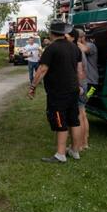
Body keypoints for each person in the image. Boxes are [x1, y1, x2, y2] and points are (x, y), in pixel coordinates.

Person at [28, 21, 85, 163]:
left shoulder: (51, 48)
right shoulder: (75, 48)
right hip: (73, 90)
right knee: (74, 121)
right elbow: (79, 70)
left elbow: (42, 69)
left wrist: (33, 86)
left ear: (51, 33)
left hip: (58, 92)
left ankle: (61, 154)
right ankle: (75, 150)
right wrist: (79, 86)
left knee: (61, 122)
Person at [76, 29, 98, 149]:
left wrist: (74, 40)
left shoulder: (90, 45)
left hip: (90, 84)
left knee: (81, 112)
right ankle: (85, 141)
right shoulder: (83, 45)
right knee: (83, 111)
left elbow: (84, 49)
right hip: (90, 83)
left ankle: (83, 143)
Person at [67, 29, 88, 152]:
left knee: (78, 115)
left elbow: (79, 70)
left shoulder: (76, 50)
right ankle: (84, 143)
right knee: (82, 114)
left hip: (80, 84)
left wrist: (79, 86)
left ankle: (78, 145)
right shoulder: (79, 49)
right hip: (85, 83)